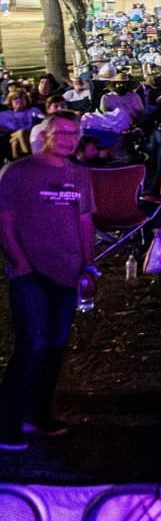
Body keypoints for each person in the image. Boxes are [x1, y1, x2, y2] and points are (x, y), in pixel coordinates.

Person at [0, 113, 97, 450]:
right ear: (46, 134)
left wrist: (89, 265)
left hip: (68, 271)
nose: (69, 139)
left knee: (55, 347)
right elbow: (4, 220)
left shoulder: (80, 174)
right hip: (31, 273)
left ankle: (36, 415)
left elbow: (84, 220)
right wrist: (20, 264)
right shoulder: (18, 172)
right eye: (62, 132)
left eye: (75, 133)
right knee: (31, 345)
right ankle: (7, 423)